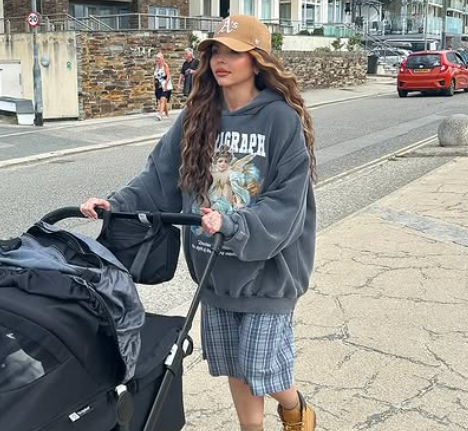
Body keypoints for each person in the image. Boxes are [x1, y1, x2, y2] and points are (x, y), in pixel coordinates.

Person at [80, 14, 317, 431]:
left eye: (233, 53)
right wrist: (114, 204)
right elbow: (158, 177)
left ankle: (296, 408)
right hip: (214, 270)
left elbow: (287, 202)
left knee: (264, 369)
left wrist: (234, 225)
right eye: (215, 51)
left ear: (257, 61)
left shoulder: (280, 119)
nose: (221, 60)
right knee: (235, 366)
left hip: (266, 273)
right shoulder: (197, 114)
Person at [153, 52, 172, 121]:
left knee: (162, 100)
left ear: (162, 59)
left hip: (165, 85)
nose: (157, 59)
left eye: (158, 58)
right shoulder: (156, 66)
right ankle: (167, 114)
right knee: (162, 101)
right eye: (156, 58)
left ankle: (160, 115)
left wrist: (165, 86)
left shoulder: (165, 65)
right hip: (158, 86)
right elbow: (155, 77)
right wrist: (154, 84)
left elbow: (168, 76)